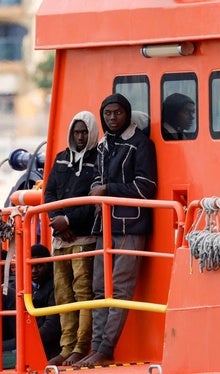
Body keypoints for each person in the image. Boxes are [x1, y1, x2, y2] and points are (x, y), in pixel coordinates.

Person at [74, 93, 157, 367]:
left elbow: (145, 187)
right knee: (99, 290)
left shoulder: (140, 144)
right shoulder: (102, 146)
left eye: (117, 113)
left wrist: (107, 191)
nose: (112, 118)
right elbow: (98, 178)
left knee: (119, 290)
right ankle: (96, 348)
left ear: (126, 114)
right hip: (104, 227)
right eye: (107, 113)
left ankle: (107, 348)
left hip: (131, 226)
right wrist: (98, 190)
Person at [43, 111, 99, 366]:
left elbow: (92, 200)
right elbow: (50, 192)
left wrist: (70, 221)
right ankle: (66, 348)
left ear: (91, 133)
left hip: (84, 238)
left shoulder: (99, 159)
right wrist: (58, 221)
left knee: (83, 292)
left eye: (84, 132)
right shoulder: (61, 159)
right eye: (76, 132)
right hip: (61, 239)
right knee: (63, 294)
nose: (80, 136)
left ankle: (81, 346)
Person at [3, 244, 62, 362]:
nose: (34, 271)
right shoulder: (29, 286)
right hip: (30, 342)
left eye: (39, 266)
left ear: (49, 266)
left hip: (46, 349)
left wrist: (22, 341)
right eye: (31, 267)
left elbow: (51, 327)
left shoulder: (56, 287)